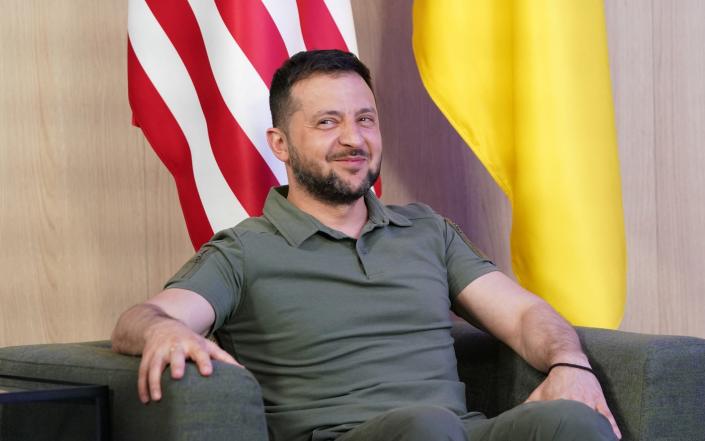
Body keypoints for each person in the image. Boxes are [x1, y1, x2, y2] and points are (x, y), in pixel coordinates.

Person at [111, 50, 621, 441]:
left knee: (570, 422)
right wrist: (161, 333)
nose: (354, 139)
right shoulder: (244, 251)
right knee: (426, 427)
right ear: (280, 144)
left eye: (365, 119)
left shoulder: (426, 230)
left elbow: (526, 315)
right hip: (352, 434)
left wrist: (568, 365)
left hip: (457, 431)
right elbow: (143, 316)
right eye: (327, 122)